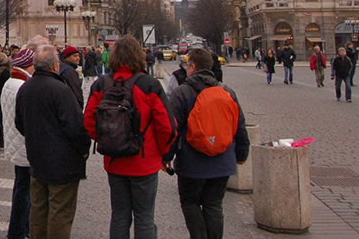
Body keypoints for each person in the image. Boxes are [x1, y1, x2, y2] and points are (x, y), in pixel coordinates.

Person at [84, 36, 176, 239]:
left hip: (115, 160)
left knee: (119, 216)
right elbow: (166, 126)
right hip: (144, 160)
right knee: (144, 217)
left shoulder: (102, 84)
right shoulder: (149, 84)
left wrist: (107, 139)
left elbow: (89, 121)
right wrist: (165, 154)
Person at [167, 48, 250, 239]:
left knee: (190, 203)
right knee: (214, 205)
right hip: (222, 160)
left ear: (192, 67)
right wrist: (241, 155)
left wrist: (166, 157)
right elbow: (239, 126)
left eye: (187, 65)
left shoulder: (182, 93)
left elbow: (173, 129)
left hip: (191, 162)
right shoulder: (227, 91)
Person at [16, 45, 91, 239]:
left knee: (38, 209)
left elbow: (19, 123)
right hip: (63, 162)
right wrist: (83, 150)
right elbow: (76, 127)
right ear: (55, 66)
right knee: (60, 212)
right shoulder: (61, 90)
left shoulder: (25, 88)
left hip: (36, 157)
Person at [0, 43, 42, 239]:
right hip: (24, 145)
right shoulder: (22, 86)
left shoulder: (10, 83)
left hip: (15, 142)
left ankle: (21, 229)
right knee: (25, 192)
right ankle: (18, 231)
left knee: (21, 188)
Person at [59, 46, 84, 110]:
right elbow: (76, 91)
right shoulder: (69, 71)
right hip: (70, 105)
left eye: (78, 56)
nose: (78, 58)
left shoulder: (60, 66)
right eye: (75, 56)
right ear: (67, 57)